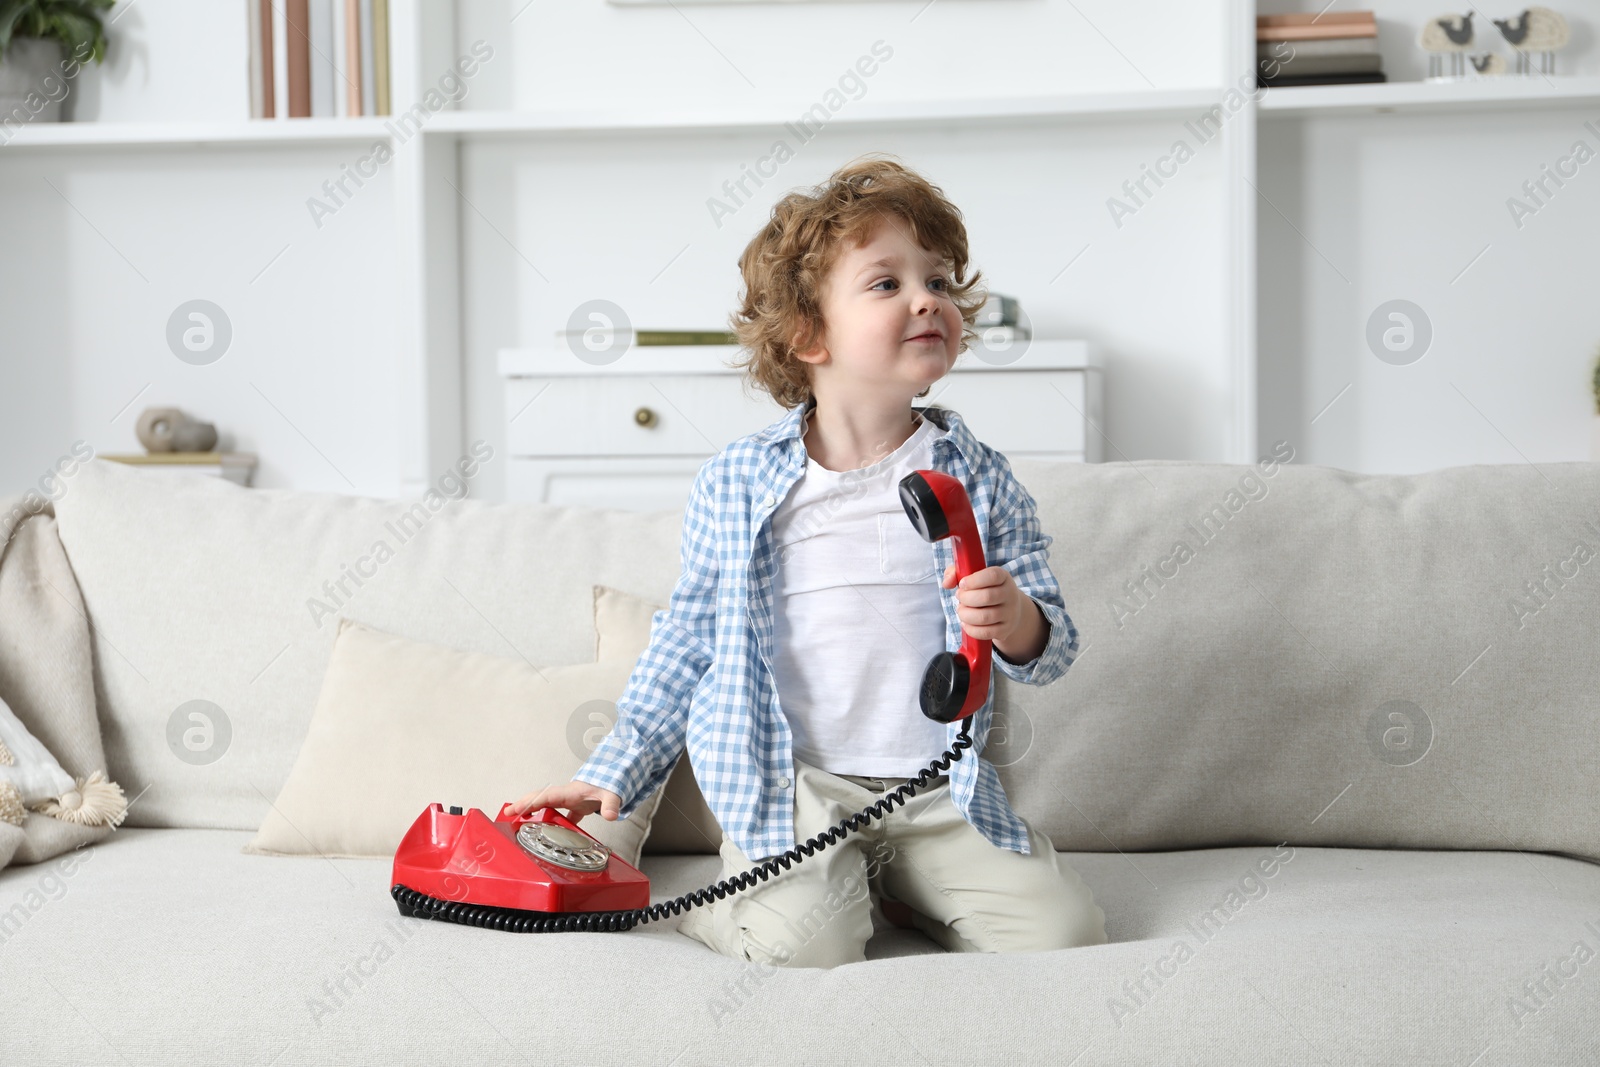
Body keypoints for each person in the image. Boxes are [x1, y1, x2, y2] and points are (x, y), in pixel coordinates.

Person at [511, 154, 1107, 968]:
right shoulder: (742, 480)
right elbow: (689, 641)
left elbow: (1054, 647)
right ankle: (739, 910)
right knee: (804, 952)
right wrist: (610, 768)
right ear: (807, 333)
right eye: (886, 283)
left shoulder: (979, 473)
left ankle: (896, 882)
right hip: (794, 790)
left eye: (937, 278)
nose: (927, 297)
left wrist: (1021, 624)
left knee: (1069, 938)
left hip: (937, 789)